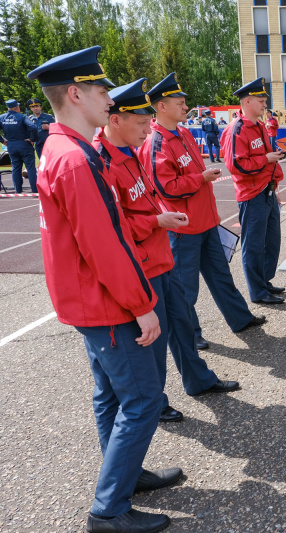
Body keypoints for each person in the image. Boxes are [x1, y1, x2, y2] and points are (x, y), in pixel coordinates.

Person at [28, 45, 178, 533]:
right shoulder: (75, 158)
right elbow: (105, 244)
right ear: (75, 93)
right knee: (143, 400)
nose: (108, 99)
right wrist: (143, 305)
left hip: (88, 300)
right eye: (99, 90)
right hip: (105, 301)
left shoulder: (62, 149)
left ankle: (125, 477)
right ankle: (109, 509)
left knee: (110, 396)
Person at [94, 78, 241, 425]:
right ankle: (153, 402)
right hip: (143, 264)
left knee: (180, 323)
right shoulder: (103, 164)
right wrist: (157, 221)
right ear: (117, 120)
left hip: (161, 257)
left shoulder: (129, 152)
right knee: (152, 342)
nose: (148, 131)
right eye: (142, 123)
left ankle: (198, 379)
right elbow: (110, 230)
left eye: (148, 123)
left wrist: (158, 220)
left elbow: (145, 200)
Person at [140, 72, 266, 351]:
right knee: (186, 289)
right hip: (184, 229)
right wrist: (201, 178)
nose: (186, 107)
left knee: (221, 275)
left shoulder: (183, 132)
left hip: (206, 221)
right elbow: (165, 187)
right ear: (161, 106)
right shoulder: (156, 142)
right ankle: (190, 334)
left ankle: (240, 318)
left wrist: (201, 178)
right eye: (179, 102)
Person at [221, 78, 286, 306]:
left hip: (267, 191)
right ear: (246, 101)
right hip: (252, 195)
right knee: (254, 245)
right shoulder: (236, 129)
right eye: (260, 100)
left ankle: (264, 281)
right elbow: (236, 165)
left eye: (265, 100)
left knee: (272, 241)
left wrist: (274, 174)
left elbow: (263, 160)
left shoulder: (259, 126)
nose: (264, 104)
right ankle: (257, 291)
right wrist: (266, 159)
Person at [0, 99, 38, 193]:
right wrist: (32, 139)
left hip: (11, 145)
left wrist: (2, 140)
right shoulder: (22, 117)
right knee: (30, 168)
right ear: (17, 107)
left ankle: (18, 191)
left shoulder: (2, 117)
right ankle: (35, 190)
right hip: (24, 144)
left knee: (16, 168)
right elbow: (32, 127)